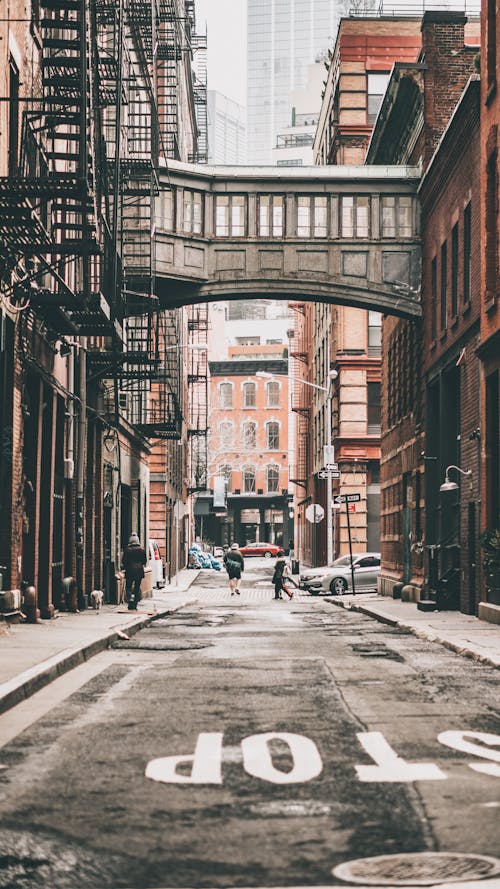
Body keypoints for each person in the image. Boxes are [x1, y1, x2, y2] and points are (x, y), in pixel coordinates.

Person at [122, 533, 147, 610]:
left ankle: (130, 600)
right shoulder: (142, 550)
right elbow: (144, 561)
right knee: (137, 587)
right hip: (139, 571)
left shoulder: (127, 550)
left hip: (130, 570)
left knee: (128, 587)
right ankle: (135, 605)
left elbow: (124, 561)